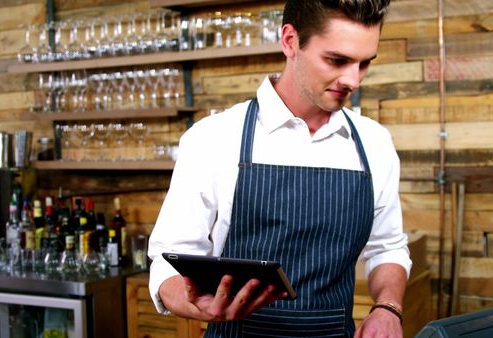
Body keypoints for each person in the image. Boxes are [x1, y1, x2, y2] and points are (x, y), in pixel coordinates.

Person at [148, 0, 412, 337]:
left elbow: (387, 247)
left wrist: (388, 308)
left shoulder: (374, 143)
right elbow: (170, 260)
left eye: (364, 64)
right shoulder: (213, 138)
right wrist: (194, 304)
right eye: (337, 60)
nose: (353, 80)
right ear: (290, 41)